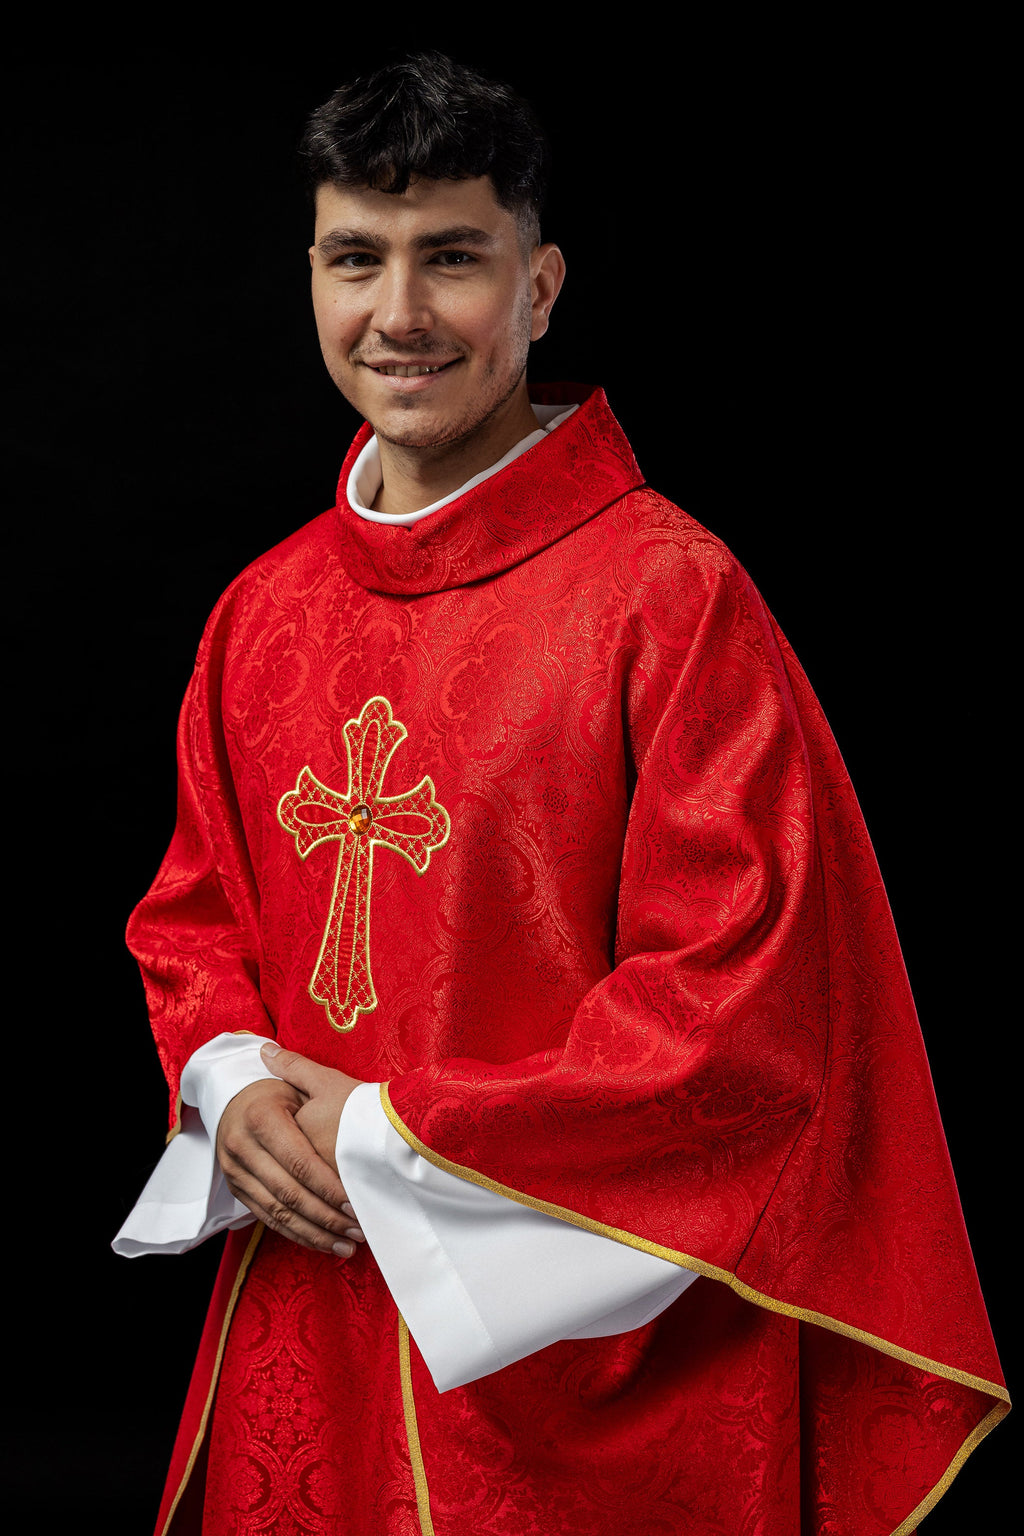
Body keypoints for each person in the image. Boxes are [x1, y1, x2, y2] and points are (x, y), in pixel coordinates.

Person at [115, 51, 1007, 1536]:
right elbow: (194, 912)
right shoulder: (259, 611)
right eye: (357, 259)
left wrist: (394, 1135)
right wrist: (231, 1085)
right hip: (311, 1303)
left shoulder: (670, 597)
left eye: (453, 259)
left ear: (540, 289)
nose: (398, 315)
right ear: (313, 278)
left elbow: (738, 1022)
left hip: (583, 1356)